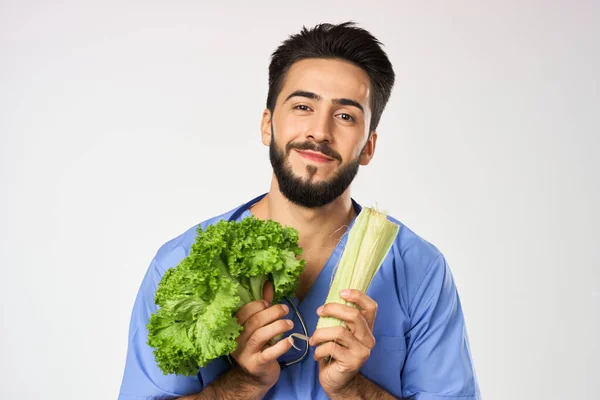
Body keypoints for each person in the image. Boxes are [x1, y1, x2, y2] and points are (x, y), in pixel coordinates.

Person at [117, 21, 481, 400]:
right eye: (303, 106)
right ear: (267, 124)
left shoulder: (419, 270)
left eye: (345, 116)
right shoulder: (180, 262)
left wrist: (350, 387)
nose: (320, 131)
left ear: (369, 146)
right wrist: (243, 383)